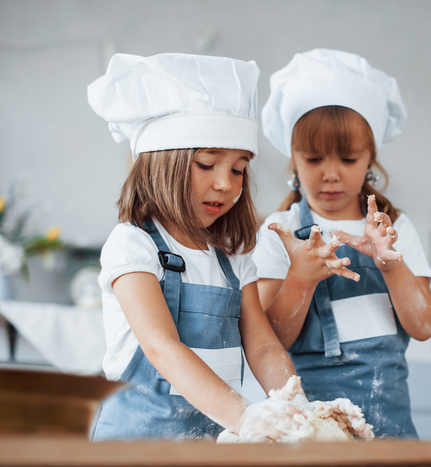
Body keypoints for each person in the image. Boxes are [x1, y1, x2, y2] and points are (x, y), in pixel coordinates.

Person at [87, 53, 303, 441]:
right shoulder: (133, 245)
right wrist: (246, 417)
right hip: (132, 451)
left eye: (238, 169)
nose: (226, 183)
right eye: (207, 164)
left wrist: (297, 410)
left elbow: (263, 347)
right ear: (161, 164)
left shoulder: (234, 259)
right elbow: (162, 348)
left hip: (207, 447)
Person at [253, 48, 431, 438]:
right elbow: (268, 340)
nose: (331, 174)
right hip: (311, 430)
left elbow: (424, 325)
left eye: (349, 159)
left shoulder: (395, 228)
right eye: (315, 158)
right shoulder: (280, 231)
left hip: (391, 428)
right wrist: (300, 280)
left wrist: (391, 263)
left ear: (370, 157)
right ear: (294, 158)